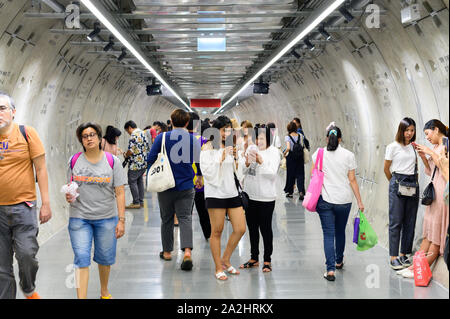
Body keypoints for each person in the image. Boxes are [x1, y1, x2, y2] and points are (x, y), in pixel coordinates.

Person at [65, 123, 126, 299]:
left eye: (92, 135)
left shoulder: (112, 161)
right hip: (79, 218)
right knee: (81, 257)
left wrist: (121, 220)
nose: (89, 138)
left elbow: (120, 192)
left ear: (100, 138)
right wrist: (69, 195)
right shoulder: (74, 160)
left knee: (105, 258)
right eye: (85, 136)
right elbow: (70, 187)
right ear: (81, 141)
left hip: (106, 217)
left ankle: (104, 291)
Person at [0, 92, 52, 299]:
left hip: (24, 207)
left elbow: (41, 169)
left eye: (2, 108)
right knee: (2, 266)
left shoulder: (26, 133)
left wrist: (46, 203)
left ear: (13, 112)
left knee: (26, 255)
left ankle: (28, 287)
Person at [147, 109, 201, 271]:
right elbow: (198, 160)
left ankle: (167, 252)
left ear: (170, 121)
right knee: (185, 218)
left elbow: (150, 158)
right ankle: (187, 252)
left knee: (167, 218)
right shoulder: (192, 139)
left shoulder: (162, 137)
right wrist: (198, 175)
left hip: (165, 185)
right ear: (186, 123)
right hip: (186, 185)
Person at [311, 124, 364, 281]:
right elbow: (352, 180)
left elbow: (313, 175)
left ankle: (330, 270)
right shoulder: (349, 155)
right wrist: (360, 201)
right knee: (340, 231)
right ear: (340, 139)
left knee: (328, 234)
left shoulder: (319, 154)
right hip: (344, 201)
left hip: (325, 200)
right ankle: (339, 260)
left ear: (327, 138)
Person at [399, 120, 449, 278]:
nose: (427, 137)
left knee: (435, 231)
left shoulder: (446, 146)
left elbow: (444, 168)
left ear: (436, 130)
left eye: (428, 134)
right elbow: (430, 171)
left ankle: (419, 268)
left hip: (442, 193)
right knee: (428, 232)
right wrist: (423, 155)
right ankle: (414, 266)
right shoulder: (435, 148)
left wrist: (430, 151)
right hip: (433, 192)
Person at [200, 115, 247, 281]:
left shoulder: (230, 146)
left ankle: (226, 259)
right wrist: (220, 157)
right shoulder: (207, 148)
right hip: (215, 193)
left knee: (240, 228)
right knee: (217, 231)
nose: (226, 133)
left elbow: (237, 172)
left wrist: (236, 158)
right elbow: (207, 172)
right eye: (223, 130)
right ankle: (218, 267)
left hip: (231, 191)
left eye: (228, 130)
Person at [239, 127, 280, 273]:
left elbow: (272, 174)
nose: (258, 141)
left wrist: (260, 161)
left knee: (266, 228)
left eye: (262, 138)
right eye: (257, 138)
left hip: (266, 197)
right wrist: (248, 162)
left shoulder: (274, 152)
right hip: (250, 195)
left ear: (268, 139)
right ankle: (254, 257)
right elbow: (244, 171)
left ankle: (267, 259)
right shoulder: (251, 148)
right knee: (252, 228)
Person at [384, 118, 419, 270]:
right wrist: (394, 182)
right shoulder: (393, 147)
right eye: (407, 130)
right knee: (396, 221)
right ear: (401, 130)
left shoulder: (413, 147)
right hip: (397, 182)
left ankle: (404, 253)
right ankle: (393, 256)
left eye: (412, 130)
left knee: (409, 221)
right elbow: (386, 168)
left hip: (412, 185)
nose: (409, 133)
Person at [188, 113, 211, 240]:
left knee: (185, 214)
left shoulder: (178, 139)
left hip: (183, 182)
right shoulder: (203, 140)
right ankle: (208, 235)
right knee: (203, 211)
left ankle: (186, 241)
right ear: (197, 124)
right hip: (200, 182)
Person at [123, 120, 149, 209]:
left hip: (135, 163)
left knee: (132, 181)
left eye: (127, 131)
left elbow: (131, 150)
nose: (128, 133)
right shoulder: (143, 133)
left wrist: (125, 155)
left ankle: (136, 202)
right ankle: (141, 201)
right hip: (144, 162)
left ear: (130, 127)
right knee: (139, 181)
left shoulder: (134, 135)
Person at [283, 121, 306, 199]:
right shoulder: (300, 135)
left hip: (291, 157)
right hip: (300, 157)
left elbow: (288, 148)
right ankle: (301, 192)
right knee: (300, 175)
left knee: (291, 175)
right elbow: (303, 145)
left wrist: (284, 153)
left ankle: (290, 192)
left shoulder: (288, 137)